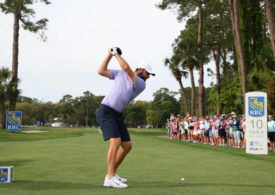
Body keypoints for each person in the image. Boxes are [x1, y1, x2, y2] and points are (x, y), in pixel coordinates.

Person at [96, 48, 155, 188]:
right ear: (140, 69)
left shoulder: (141, 83)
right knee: (115, 142)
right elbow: (101, 70)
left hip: (117, 114)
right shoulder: (120, 74)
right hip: (106, 110)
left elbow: (126, 67)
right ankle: (109, 177)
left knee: (127, 146)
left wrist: (115, 53)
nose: (149, 76)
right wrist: (109, 55)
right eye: (147, 73)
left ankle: (111, 173)